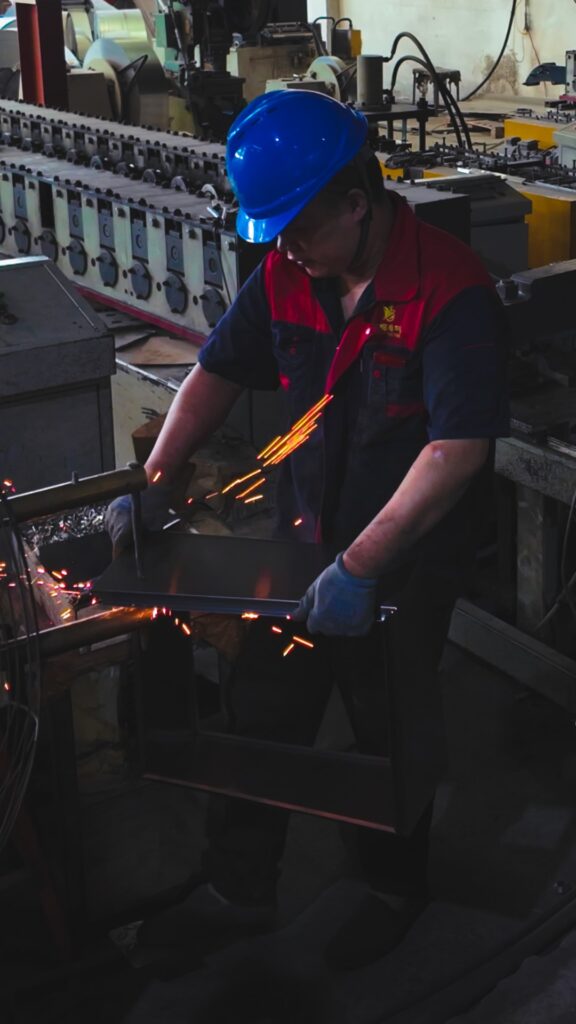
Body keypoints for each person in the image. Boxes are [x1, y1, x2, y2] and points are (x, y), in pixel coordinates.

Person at [106, 89, 509, 970]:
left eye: (295, 228)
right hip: (300, 543)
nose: (281, 246)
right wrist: (152, 483)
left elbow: (459, 449)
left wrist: (365, 567)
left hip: (402, 562)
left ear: (356, 205)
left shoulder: (449, 288)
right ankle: (241, 889)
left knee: (387, 723)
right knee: (263, 714)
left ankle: (396, 888)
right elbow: (214, 374)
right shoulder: (293, 270)